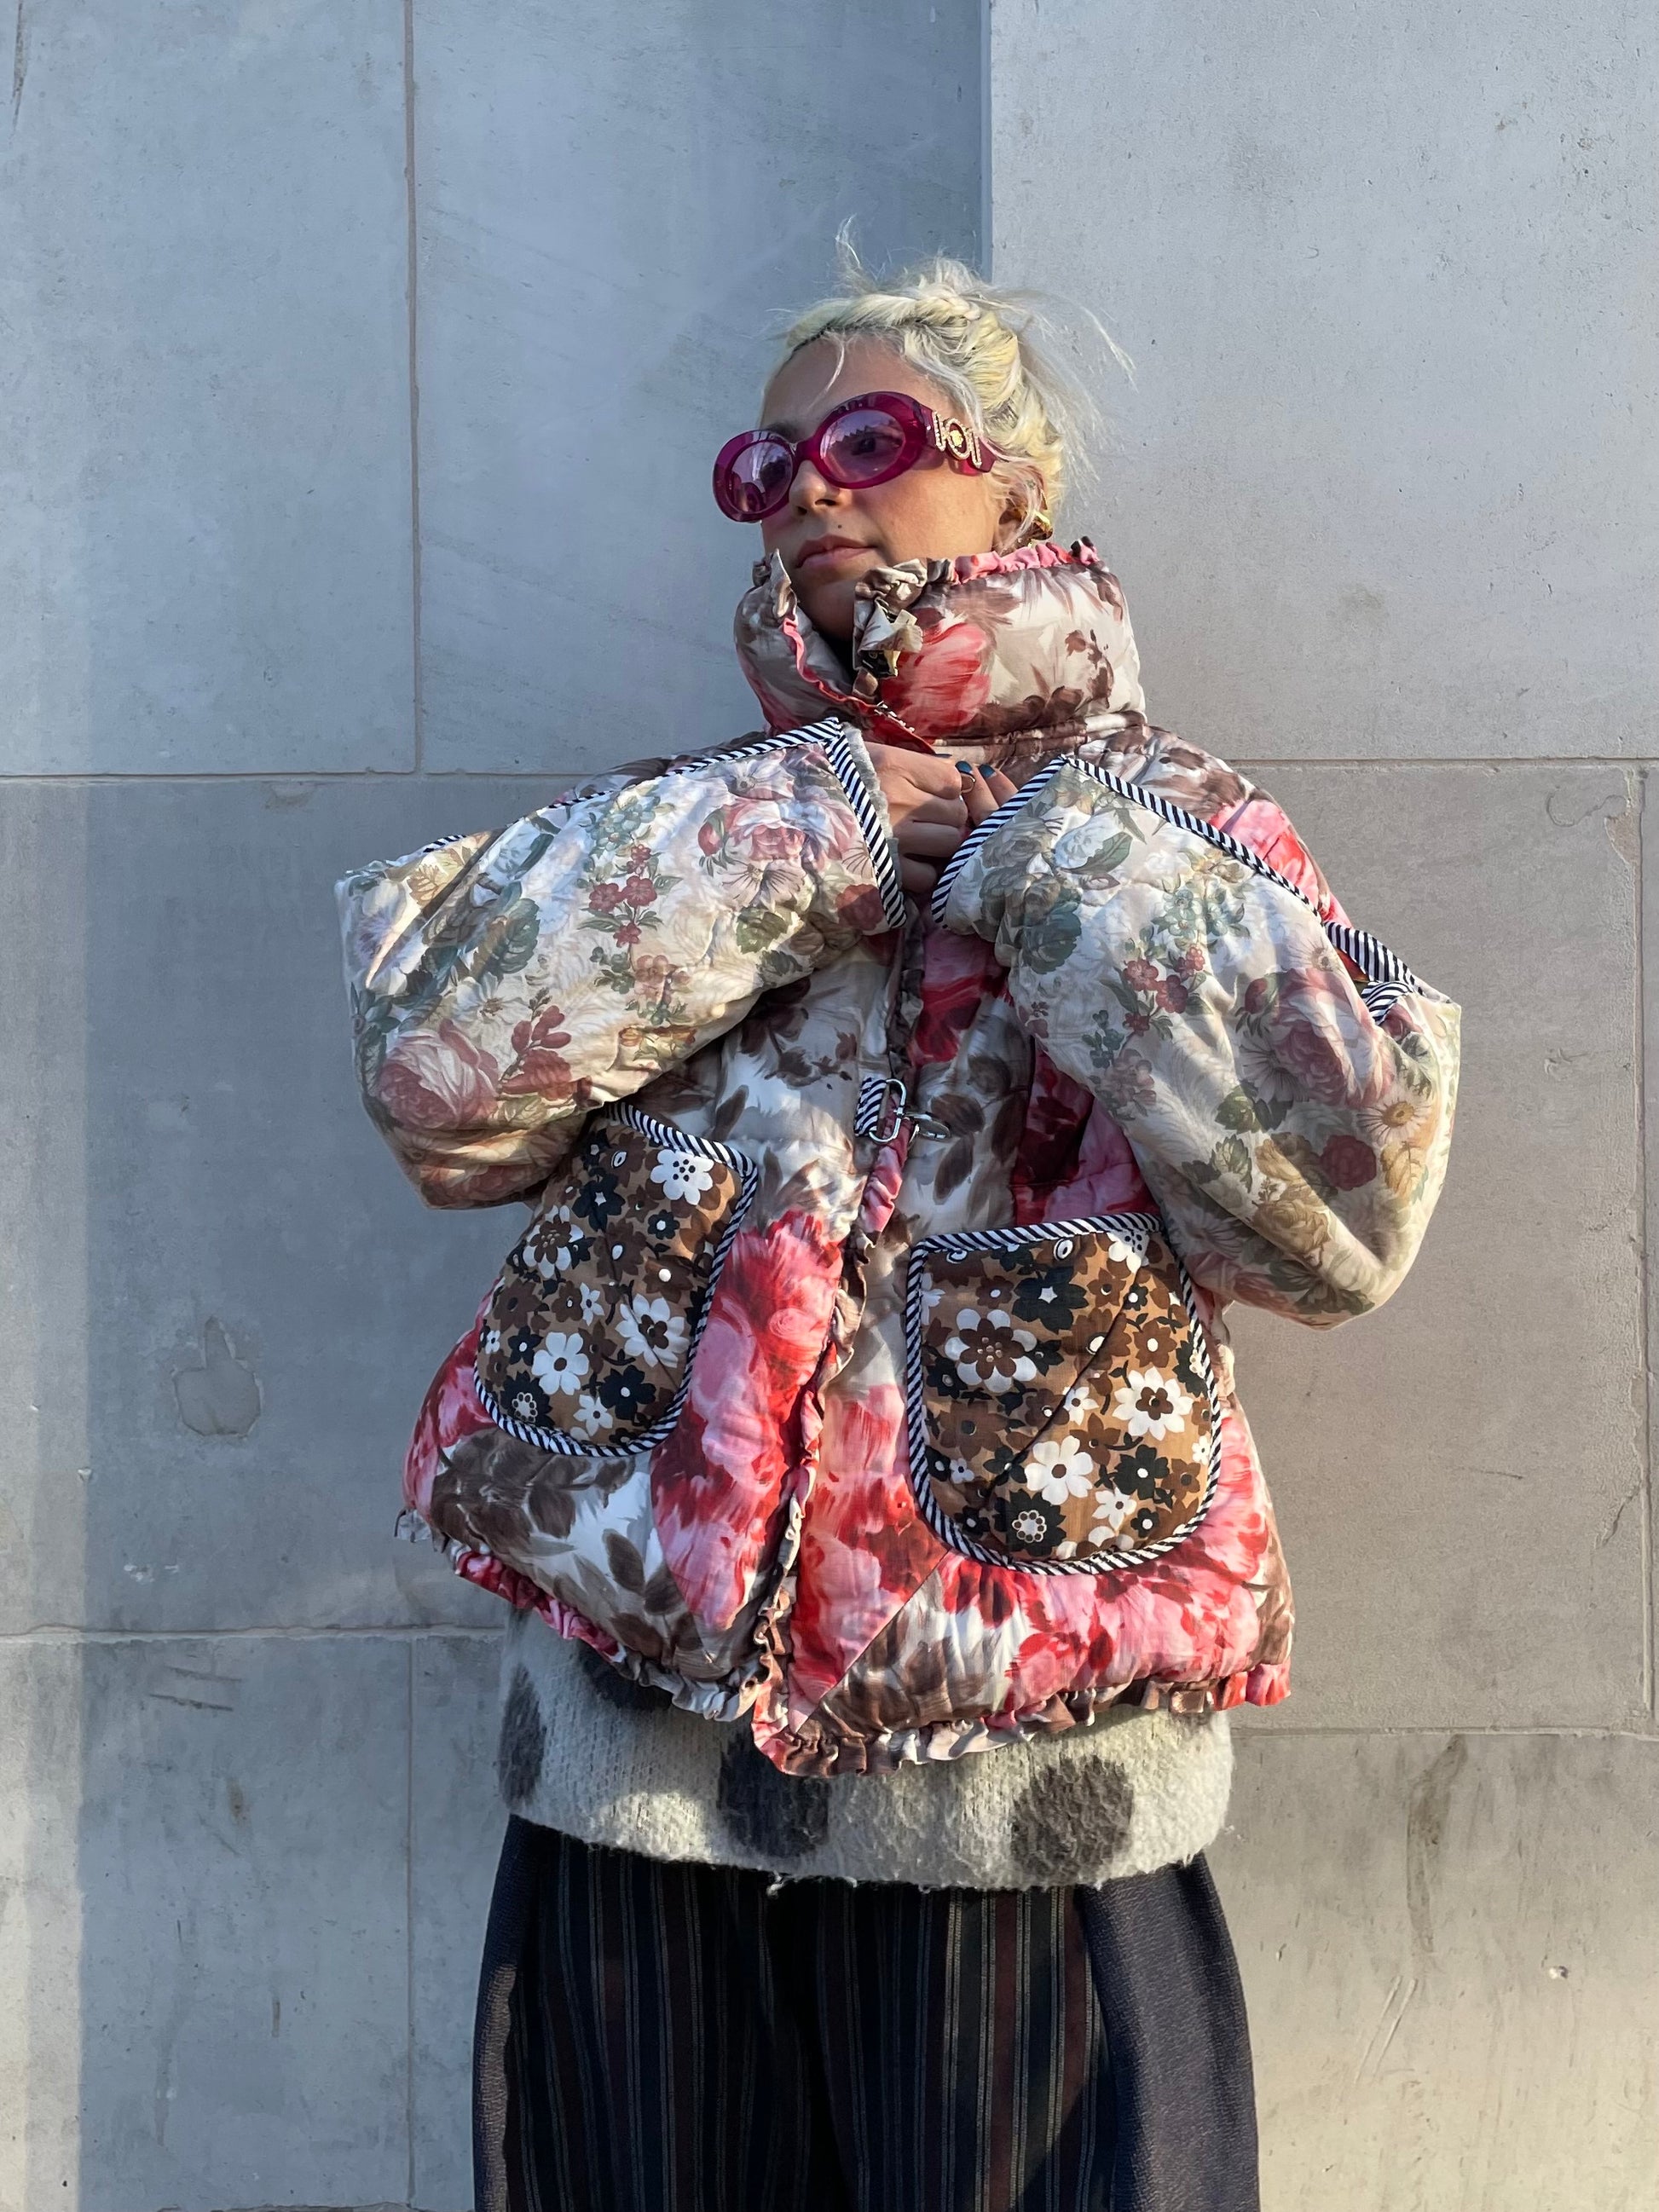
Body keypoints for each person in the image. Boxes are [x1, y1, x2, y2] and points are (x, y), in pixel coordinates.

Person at [338, 254, 1459, 2212]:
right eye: (765, 458)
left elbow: (1347, 1199)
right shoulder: (696, 814)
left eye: (866, 438)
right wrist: (800, 835)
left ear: (1011, 482)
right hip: (642, 1783)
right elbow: (437, 1074)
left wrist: (1046, 858)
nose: (806, 486)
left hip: (1015, 1785)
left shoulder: (1161, 811)